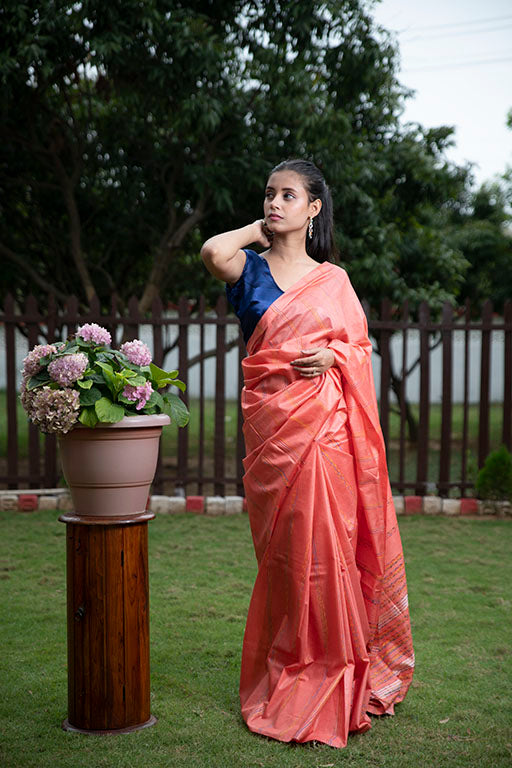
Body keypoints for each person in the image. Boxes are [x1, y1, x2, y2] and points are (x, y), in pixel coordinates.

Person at [200, 159, 414, 749]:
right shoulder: (250, 269)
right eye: (269, 194)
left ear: (314, 208)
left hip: (328, 433)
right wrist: (255, 229)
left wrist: (336, 359)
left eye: (288, 195)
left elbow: (358, 348)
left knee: (332, 552)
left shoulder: (334, 281)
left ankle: (338, 667)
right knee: (289, 557)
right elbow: (212, 252)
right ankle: (292, 662)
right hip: (273, 436)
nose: (275, 202)